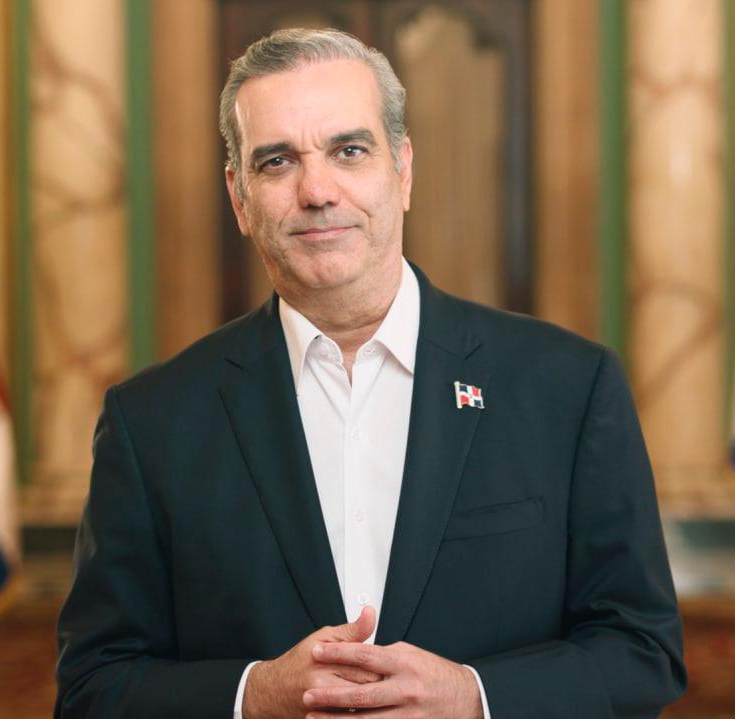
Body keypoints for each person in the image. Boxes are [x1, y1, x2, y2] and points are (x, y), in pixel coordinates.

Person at [56, 28, 685, 718]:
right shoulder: (151, 422)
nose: (317, 190)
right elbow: (93, 687)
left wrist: (474, 698)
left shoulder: (568, 388)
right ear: (239, 198)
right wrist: (254, 696)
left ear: (402, 170)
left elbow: (642, 653)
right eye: (277, 161)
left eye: (349, 151)